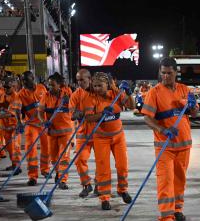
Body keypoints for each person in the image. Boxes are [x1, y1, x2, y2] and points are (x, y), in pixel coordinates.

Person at [142, 57, 199, 221]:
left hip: (183, 144)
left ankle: (177, 209)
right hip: (164, 145)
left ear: (176, 72)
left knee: (180, 179)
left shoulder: (184, 89)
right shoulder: (154, 92)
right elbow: (147, 118)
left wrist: (192, 107)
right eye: (163, 73)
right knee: (165, 180)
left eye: (169, 73)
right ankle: (166, 217)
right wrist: (162, 129)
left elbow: (194, 114)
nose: (166, 76)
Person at [84, 72, 133, 210]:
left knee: (122, 165)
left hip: (118, 137)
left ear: (108, 85)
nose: (97, 88)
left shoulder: (116, 94)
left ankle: (122, 190)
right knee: (103, 168)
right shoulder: (90, 98)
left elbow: (131, 106)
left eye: (100, 85)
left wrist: (129, 94)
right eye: (95, 86)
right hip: (101, 138)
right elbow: (88, 118)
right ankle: (104, 197)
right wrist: (102, 114)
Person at [38, 73, 73, 189]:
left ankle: (62, 180)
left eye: (52, 85)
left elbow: (74, 107)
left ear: (59, 85)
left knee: (64, 157)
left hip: (65, 132)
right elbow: (40, 112)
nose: (50, 87)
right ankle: (58, 173)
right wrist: (43, 121)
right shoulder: (46, 96)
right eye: (49, 85)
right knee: (53, 159)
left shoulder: (67, 93)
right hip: (52, 132)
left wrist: (68, 101)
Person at [18, 71, 48, 184]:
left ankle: (45, 170)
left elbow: (47, 103)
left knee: (47, 148)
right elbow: (19, 110)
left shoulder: (42, 88)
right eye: (22, 80)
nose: (24, 82)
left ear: (33, 78)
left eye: (26, 79)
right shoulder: (21, 93)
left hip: (43, 123)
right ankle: (32, 176)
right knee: (30, 150)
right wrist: (19, 120)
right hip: (31, 125)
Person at [70, 69, 95, 197]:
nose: (80, 83)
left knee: (102, 162)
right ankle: (86, 184)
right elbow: (72, 114)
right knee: (79, 159)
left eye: (82, 80)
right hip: (82, 133)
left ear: (89, 79)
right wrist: (75, 114)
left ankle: (101, 186)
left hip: (99, 133)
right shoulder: (75, 95)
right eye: (78, 80)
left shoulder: (98, 91)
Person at [0, 76, 23, 174]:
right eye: (4, 87)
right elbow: (0, 106)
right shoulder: (3, 95)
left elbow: (11, 113)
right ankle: (14, 164)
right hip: (6, 127)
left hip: (15, 126)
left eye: (8, 87)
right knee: (10, 148)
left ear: (13, 86)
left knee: (15, 147)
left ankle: (17, 166)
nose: (6, 89)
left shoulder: (16, 97)